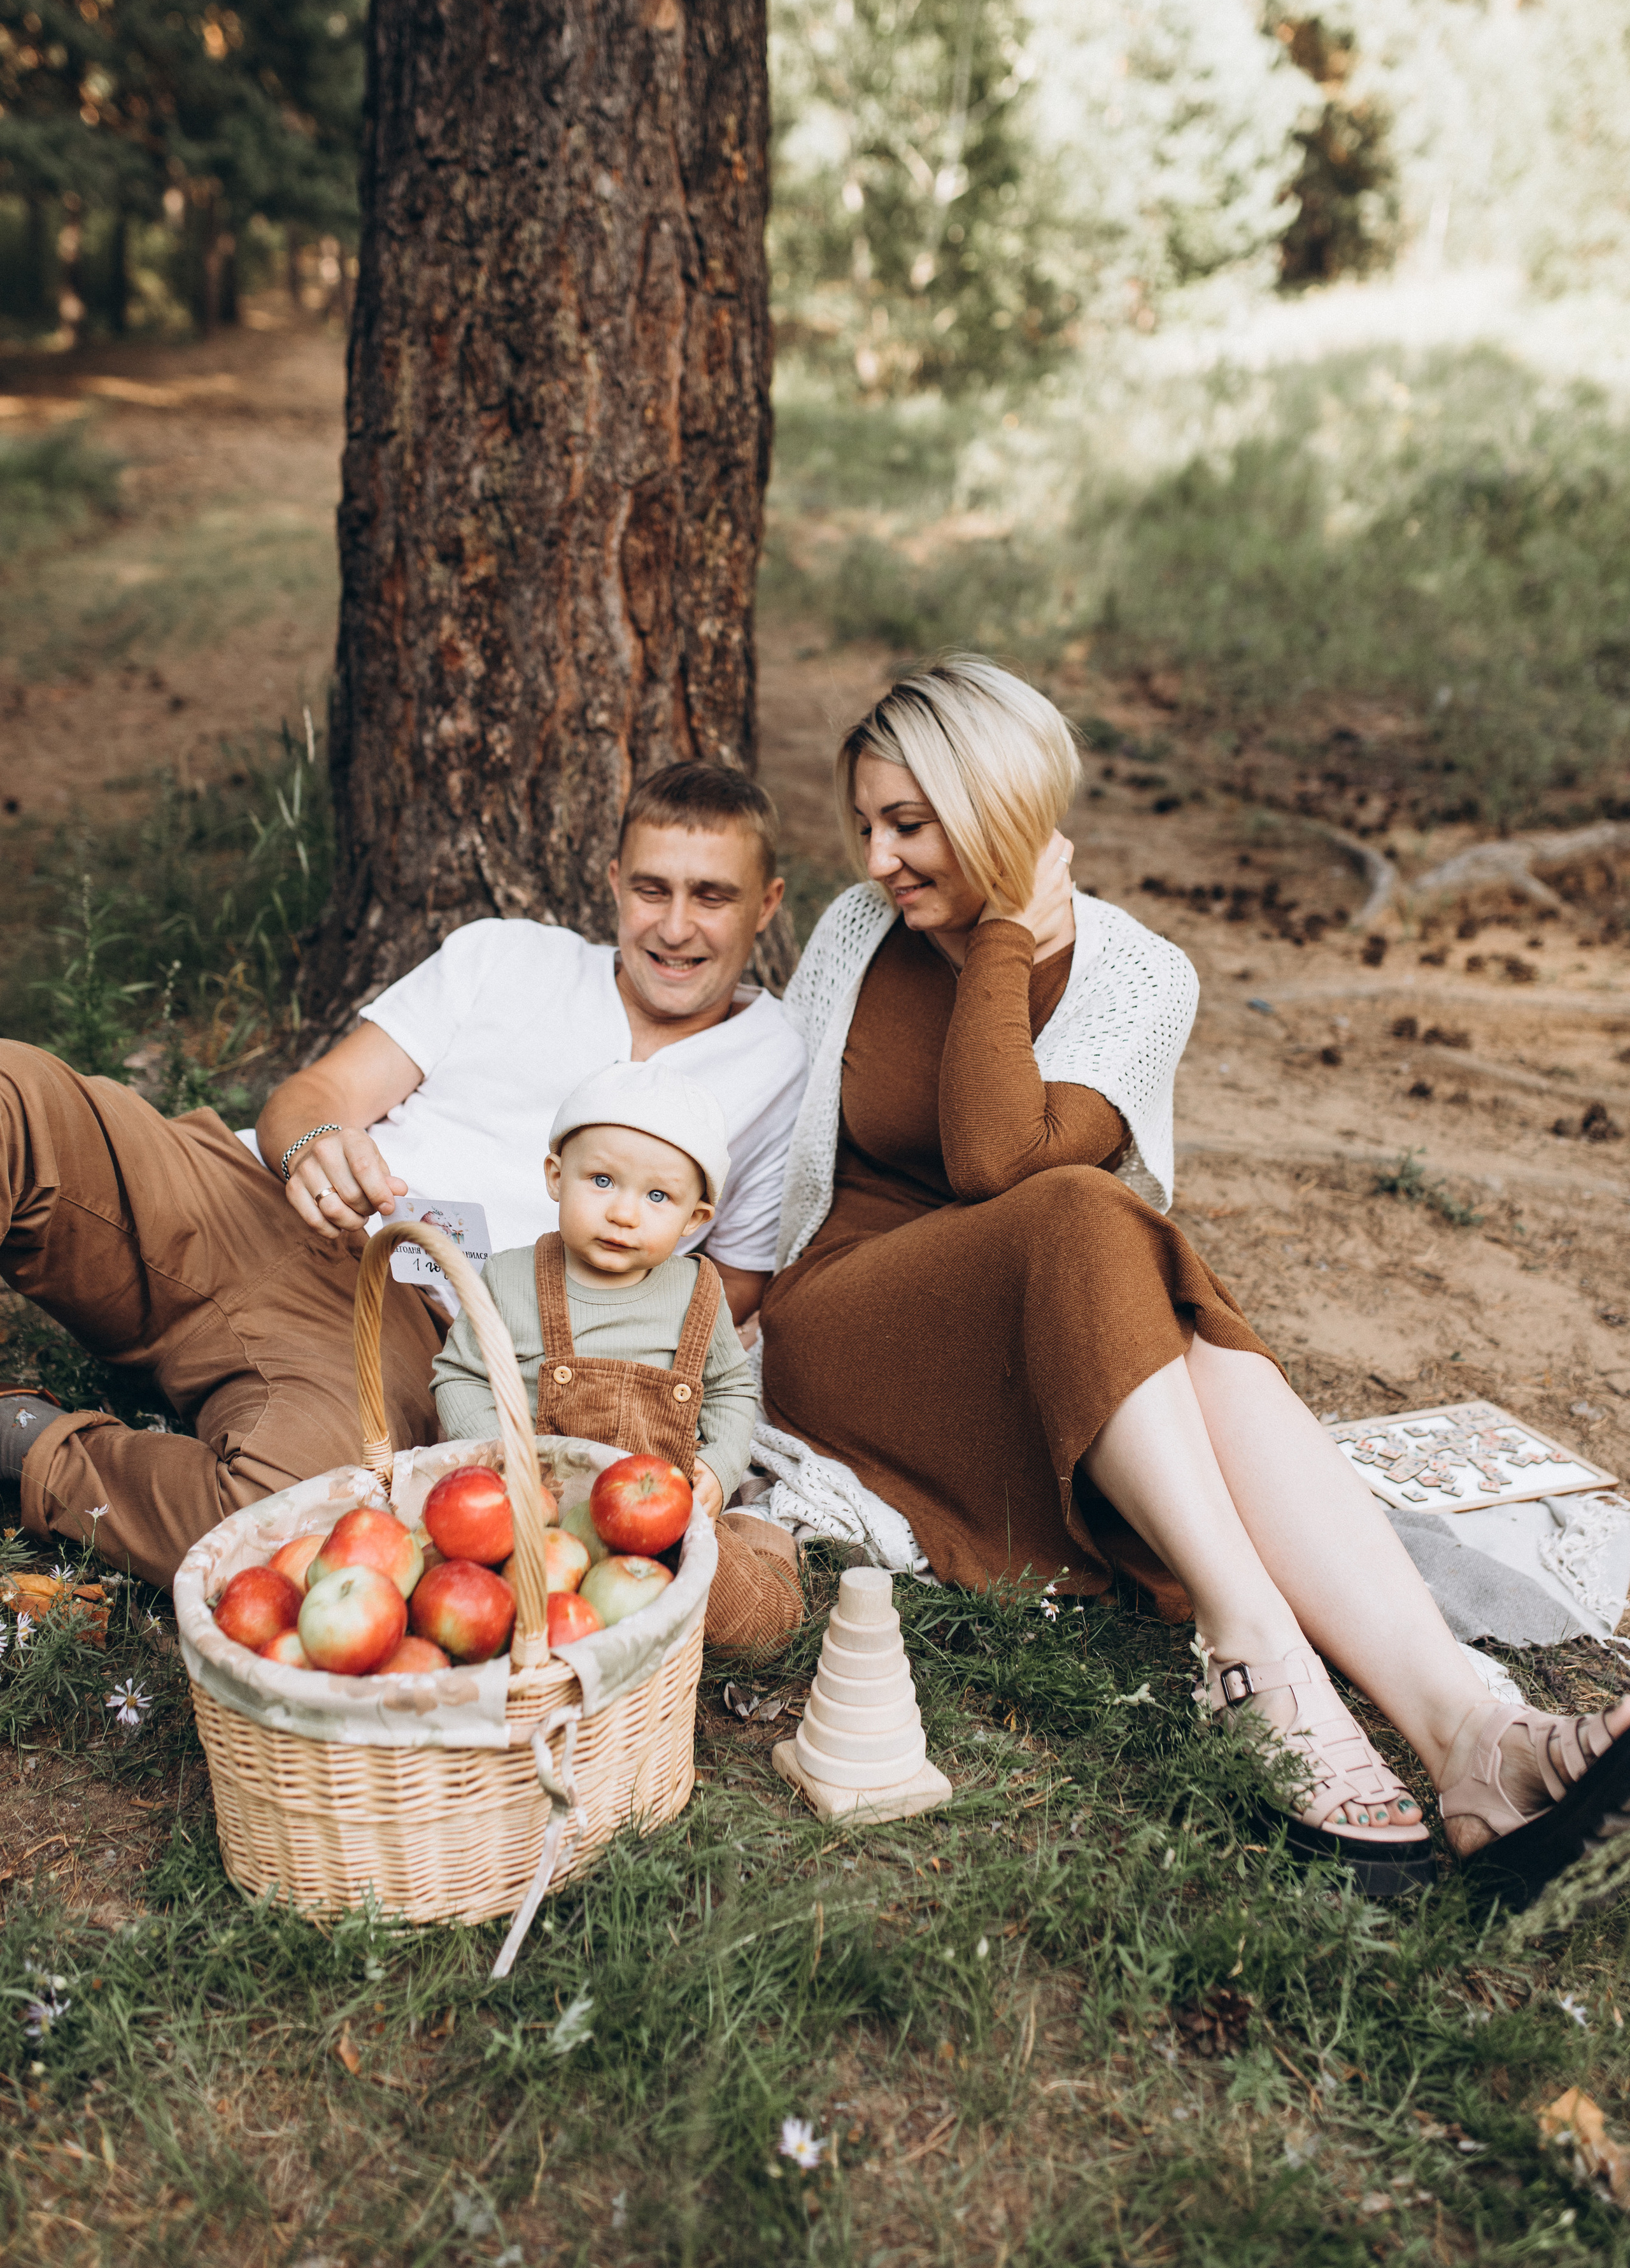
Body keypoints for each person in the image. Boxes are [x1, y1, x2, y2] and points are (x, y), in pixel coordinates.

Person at [758, 656, 1630, 1905]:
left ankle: (1465, 1739)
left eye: (910, 823)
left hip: (1023, 1312)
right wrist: (1002, 933)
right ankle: (1250, 1637)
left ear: (1001, 808)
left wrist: (997, 941)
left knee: (1134, 1279)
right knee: (1084, 1213)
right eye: (864, 826)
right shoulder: (855, 933)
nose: (878, 859)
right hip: (848, 1322)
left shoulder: (1136, 974)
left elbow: (998, 1166)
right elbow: (970, 1166)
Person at [0, 762, 807, 1593]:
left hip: (413, 1334)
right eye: (651, 889)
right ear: (611, 883)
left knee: (294, 1534)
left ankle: (29, 1442)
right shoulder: (506, 955)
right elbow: (315, 1094)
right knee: (15, 1098)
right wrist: (316, 1145)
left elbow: (736, 1280)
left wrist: (578, 1345)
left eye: (711, 897)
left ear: (767, 905)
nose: (675, 927)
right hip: (253, 1206)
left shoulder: (778, 1061)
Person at [432, 1060, 802, 1650]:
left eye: (658, 1196)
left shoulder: (696, 1294)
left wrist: (720, 1467)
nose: (624, 1213)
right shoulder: (507, 1278)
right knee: (484, 1611)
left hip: (659, 1515)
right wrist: (503, 1457)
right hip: (532, 1508)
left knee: (751, 1629)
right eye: (601, 1181)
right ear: (556, 1175)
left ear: (694, 1219)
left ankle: (762, 1543)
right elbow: (459, 1376)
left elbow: (731, 1390)